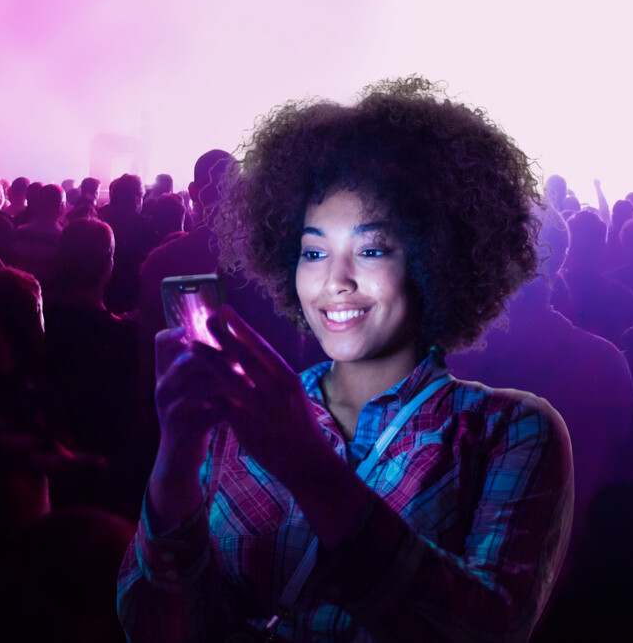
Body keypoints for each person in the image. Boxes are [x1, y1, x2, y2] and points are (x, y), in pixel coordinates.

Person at [117, 77, 573, 642]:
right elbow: (154, 629)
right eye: (313, 251)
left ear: (439, 259)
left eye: (372, 249)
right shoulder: (239, 422)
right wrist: (176, 458)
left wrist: (307, 463)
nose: (335, 280)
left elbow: (485, 632)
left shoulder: (509, 431)